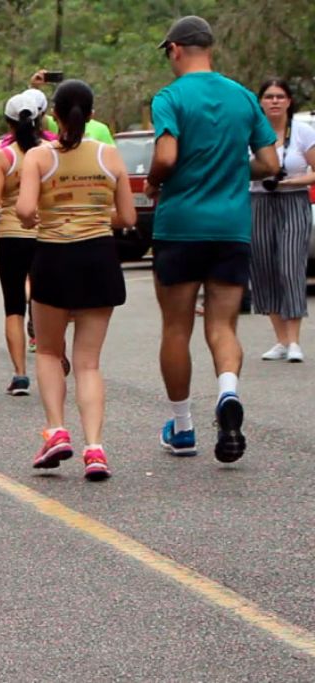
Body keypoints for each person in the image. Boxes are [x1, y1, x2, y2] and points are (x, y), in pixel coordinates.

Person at [144, 16, 279, 463]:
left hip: (180, 225)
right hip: (231, 227)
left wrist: (155, 182)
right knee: (222, 325)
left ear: (177, 49)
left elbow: (166, 155)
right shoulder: (242, 95)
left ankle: (182, 427)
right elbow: (270, 162)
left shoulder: (170, 97)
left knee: (176, 328)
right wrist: (236, 169)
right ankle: (227, 392)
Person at [16, 80, 136, 481]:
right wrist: (98, 217)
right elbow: (129, 219)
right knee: (88, 362)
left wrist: (42, 217)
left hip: (53, 257)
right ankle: (95, 448)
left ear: (54, 113)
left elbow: (25, 209)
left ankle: (56, 431)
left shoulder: (38, 156)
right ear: (92, 111)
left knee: (50, 353)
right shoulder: (109, 156)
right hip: (98, 258)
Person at [0, 93, 45, 396]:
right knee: (49, 304)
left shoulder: (2, 157)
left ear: (8, 122)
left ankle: (20, 374)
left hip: (11, 236)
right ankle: (55, 362)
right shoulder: (49, 153)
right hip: (45, 235)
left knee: (13, 307)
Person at [250, 78, 315, 363]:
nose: (274, 101)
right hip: (258, 201)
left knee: (290, 265)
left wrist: (289, 182)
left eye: (280, 96)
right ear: (260, 102)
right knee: (264, 268)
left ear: (289, 101)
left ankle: (295, 340)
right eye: (268, 97)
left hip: (293, 200)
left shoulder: (302, 132)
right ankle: (280, 339)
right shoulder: (250, 132)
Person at [29, 71, 117, 145]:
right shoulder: (101, 130)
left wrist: (33, 88)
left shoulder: (51, 125)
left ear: (54, 114)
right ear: (91, 114)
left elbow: (31, 113)